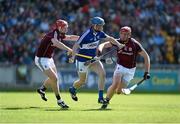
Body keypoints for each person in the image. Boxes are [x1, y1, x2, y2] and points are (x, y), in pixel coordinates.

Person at [68, 17, 124, 104]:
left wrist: (118, 44)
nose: (102, 28)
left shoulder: (100, 33)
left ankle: (100, 98)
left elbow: (110, 38)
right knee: (82, 81)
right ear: (95, 25)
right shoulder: (86, 34)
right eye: (100, 26)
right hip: (82, 61)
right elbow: (75, 46)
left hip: (93, 59)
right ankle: (73, 89)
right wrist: (72, 57)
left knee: (102, 74)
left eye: (102, 26)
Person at [99, 26, 150, 109]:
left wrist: (146, 72)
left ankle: (115, 92)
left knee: (118, 91)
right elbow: (104, 44)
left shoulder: (135, 44)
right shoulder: (117, 42)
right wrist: (100, 50)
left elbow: (146, 56)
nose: (123, 36)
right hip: (120, 66)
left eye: (126, 34)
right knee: (115, 84)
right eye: (122, 34)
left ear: (129, 35)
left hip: (131, 70)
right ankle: (106, 100)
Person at [35, 19, 79, 109]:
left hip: (49, 59)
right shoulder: (52, 35)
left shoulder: (60, 34)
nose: (66, 29)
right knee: (54, 78)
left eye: (67, 27)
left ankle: (41, 89)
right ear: (59, 27)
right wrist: (69, 49)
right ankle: (59, 101)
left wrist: (82, 38)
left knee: (54, 78)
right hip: (41, 59)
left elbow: (70, 37)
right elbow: (57, 43)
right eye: (65, 27)